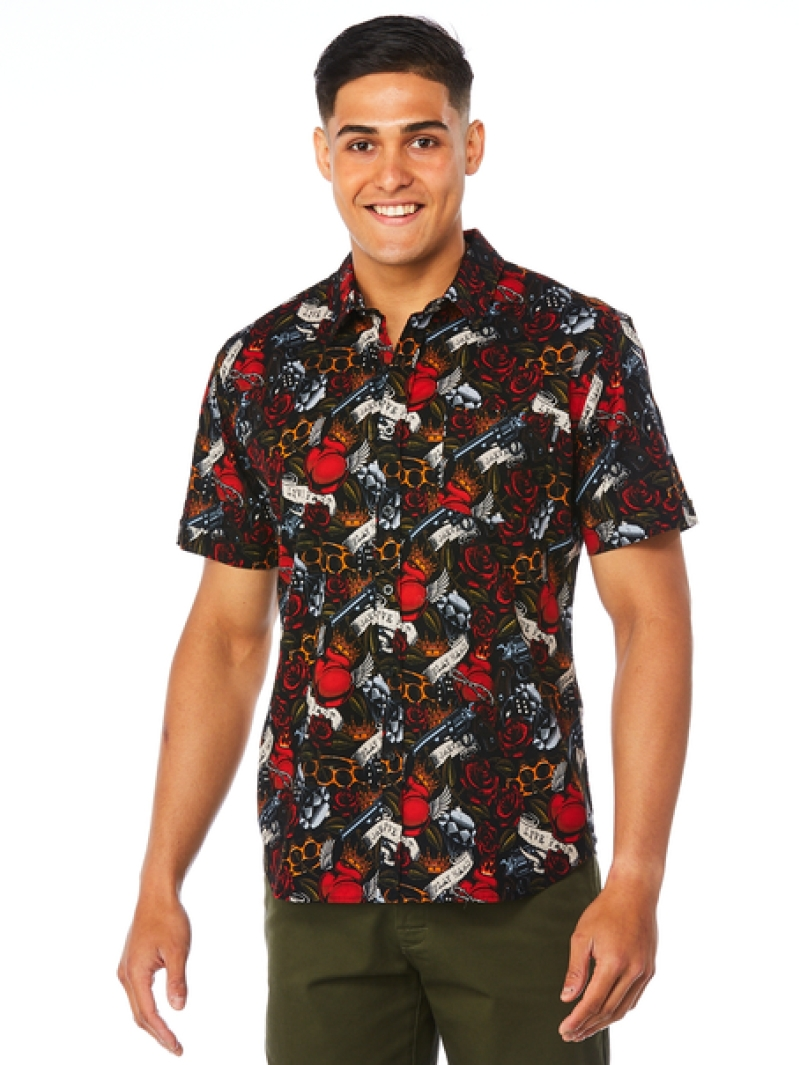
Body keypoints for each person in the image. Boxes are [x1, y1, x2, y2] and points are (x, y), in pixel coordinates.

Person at [117, 14, 697, 1064]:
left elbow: (649, 620)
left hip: (524, 880)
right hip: (320, 885)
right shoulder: (263, 366)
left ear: (470, 145)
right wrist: (160, 880)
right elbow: (228, 639)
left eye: (422, 139)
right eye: (361, 142)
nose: (391, 173)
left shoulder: (576, 346)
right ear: (323, 154)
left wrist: (637, 881)